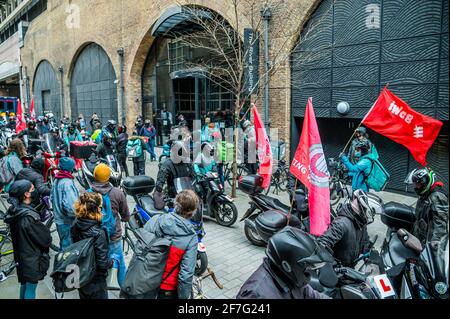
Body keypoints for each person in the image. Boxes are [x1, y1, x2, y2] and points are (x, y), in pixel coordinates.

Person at [237, 226, 331, 299]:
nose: (308, 272)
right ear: (287, 265)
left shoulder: (289, 278)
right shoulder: (254, 294)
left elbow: (311, 295)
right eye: (306, 268)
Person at [144, 189, 199, 299]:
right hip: (168, 289)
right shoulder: (191, 238)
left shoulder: (156, 220)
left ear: (176, 204)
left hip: (147, 281)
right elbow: (185, 275)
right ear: (192, 212)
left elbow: (141, 247)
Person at [4, 180, 52, 299]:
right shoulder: (29, 216)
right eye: (32, 189)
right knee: (31, 287)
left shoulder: (15, 210)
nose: (35, 190)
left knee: (25, 284)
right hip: (31, 257)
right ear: (26, 194)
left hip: (22, 255)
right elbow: (45, 239)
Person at [91, 163, 130, 287]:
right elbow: (125, 215)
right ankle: (124, 288)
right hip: (113, 236)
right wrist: (123, 218)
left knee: (96, 261)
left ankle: (100, 286)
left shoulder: (87, 193)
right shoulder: (117, 193)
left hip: (94, 236)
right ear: (109, 177)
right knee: (119, 261)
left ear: (94, 176)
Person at [71, 192, 113, 299]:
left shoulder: (75, 224)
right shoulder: (98, 233)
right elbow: (102, 263)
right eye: (100, 207)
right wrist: (111, 262)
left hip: (81, 274)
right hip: (95, 280)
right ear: (96, 209)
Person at [317, 189, 371, 267]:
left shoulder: (361, 224)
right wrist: (330, 263)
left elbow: (365, 242)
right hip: (338, 271)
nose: (366, 214)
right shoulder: (341, 223)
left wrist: (369, 254)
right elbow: (323, 243)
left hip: (350, 268)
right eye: (364, 209)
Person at [405, 168, 449, 245]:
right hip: (419, 235)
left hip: (427, 242)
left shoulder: (437, 197)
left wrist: (434, 245)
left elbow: (440, 225)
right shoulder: (426, 194)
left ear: (424, 183)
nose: (416, 187)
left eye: (418, 184)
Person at [51, 157, 79, 250]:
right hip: (67, 221)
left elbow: (52, 198)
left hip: (59, 219)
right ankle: (65, 264)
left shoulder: (57, 179)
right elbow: (71, 207)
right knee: (68, 248)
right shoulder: (67, 183)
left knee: (64, 243)